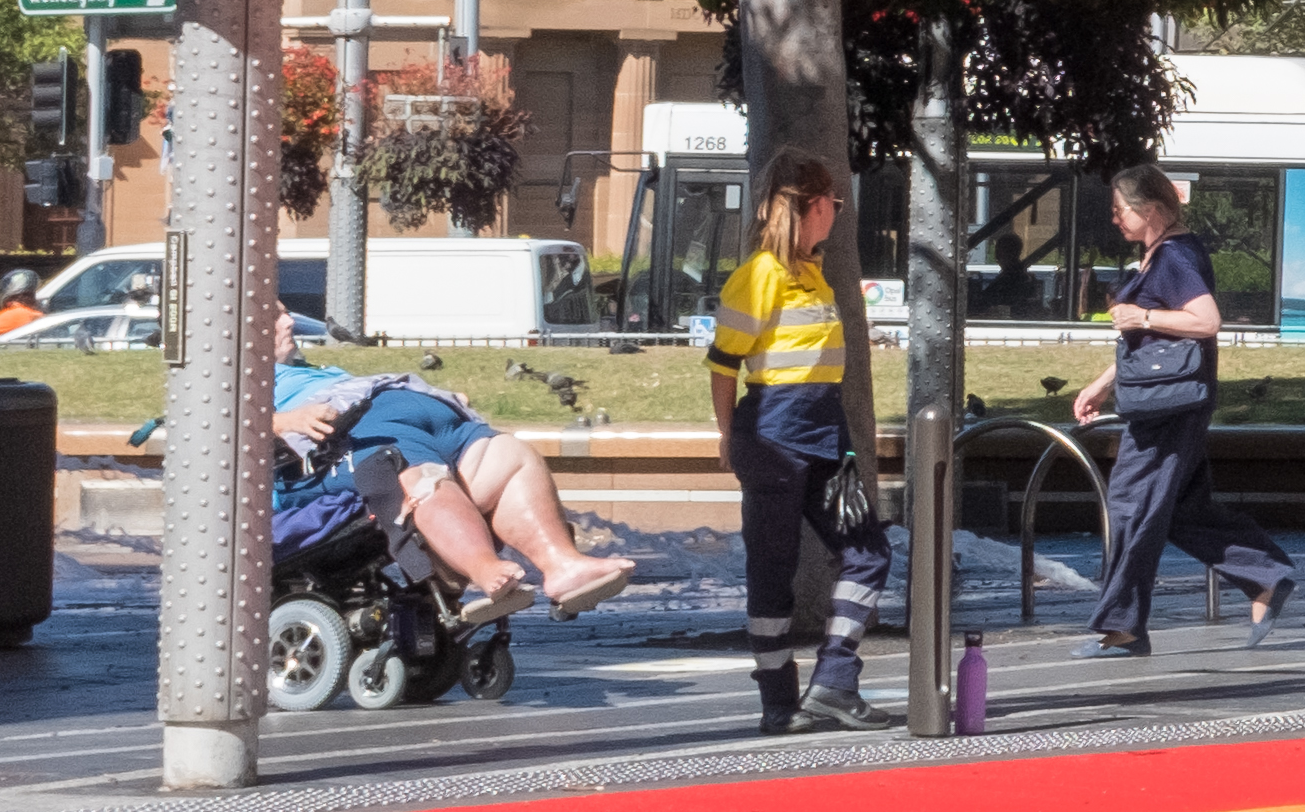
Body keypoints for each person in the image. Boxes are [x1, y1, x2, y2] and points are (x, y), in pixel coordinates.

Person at [1072, 162, 1289, 652]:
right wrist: (1104, 383)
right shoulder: (1166, 254)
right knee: (1184, 512)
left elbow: (1206, 321)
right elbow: (1152, 343)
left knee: (1130, 506)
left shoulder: (1173, 257)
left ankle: (1123, 623)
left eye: (1119, 209)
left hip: (1167, 409)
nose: (1114, 219)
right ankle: (1266, 577)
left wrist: (1141, 313)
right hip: (1170, 400)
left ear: (1150, 210)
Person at [271, 361, 632, 614]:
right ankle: (485, 569)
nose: (288, 323)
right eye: (274, 316)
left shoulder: (307, 368)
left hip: (418, 411)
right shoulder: (233, 372)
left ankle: (563, 566)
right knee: (422, 476)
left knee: (510, 457)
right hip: (351, 434)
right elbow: (215, 425)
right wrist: (284, 421)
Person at [709, 156, 865, 735]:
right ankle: (778, 702)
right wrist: (728, 437)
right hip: (774, 431)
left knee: (868, 550)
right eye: (836, 207)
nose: (836, 218)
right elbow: (723, 365)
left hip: (828, 432)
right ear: (818, 205)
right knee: (771, 569)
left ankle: (832, 683)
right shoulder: (760, 275)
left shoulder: (814, 272)